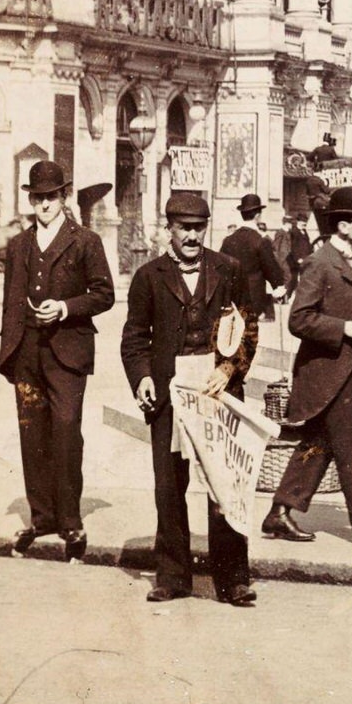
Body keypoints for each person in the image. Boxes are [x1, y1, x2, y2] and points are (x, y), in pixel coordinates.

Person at [120, 192, 258, 604]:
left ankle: (233, 578)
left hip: (218, 390)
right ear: (170, 230)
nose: (193, 236)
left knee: (224, 485)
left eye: (199, 228)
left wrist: (229, 368)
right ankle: (173, 575)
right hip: (169, 392)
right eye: (185, 229)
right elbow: (133, 339)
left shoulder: (229, 270)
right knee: (169, 485)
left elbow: (248, 328)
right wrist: (142, 379)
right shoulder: (149, 276)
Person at [0, 160, 115, 559]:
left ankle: (70, 521)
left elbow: (104, 294)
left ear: (64, 197)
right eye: (37, 197)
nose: (44, 204)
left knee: (66, 432)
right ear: (30, 200)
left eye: (51, 196)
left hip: (68, 351)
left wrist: (65, 308)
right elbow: (11, 301)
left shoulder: (85, 241)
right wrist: (9, 351)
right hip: (26, 350)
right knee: (32, 433)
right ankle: (41, 517)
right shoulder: (18, 244)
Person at [261, 185, 352, 545]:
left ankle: (279, 512)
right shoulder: (320, 262)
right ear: (342, 226)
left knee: (319, 443)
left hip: (343, 372)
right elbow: (299, 319)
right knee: (351, 444)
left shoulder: (351, 260)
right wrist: (343, 327)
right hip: (326, 372)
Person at [219, 194, 287, 322]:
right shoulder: (260, 241)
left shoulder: (228, 241)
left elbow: (220, 266)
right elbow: (270, 268)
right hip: (253, 297)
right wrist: (279, 286)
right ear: (257, 216)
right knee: (249, 333)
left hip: (231, 296)